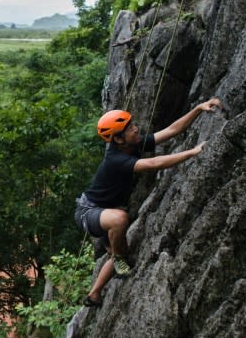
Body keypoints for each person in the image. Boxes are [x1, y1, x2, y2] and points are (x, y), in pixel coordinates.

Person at [75, 97, 222, 307]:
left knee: (120, 252)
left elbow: (171, 130)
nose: (136, 129)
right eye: (130, 128)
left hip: (104, 212)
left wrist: (199, 108)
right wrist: (192, 152)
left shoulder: (130, 145)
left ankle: (94, 295)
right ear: (118, 139)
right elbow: (154, 163)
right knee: (119, 223)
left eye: (133, 124)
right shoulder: (116, 159)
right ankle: (117, 258)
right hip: (88, 212)